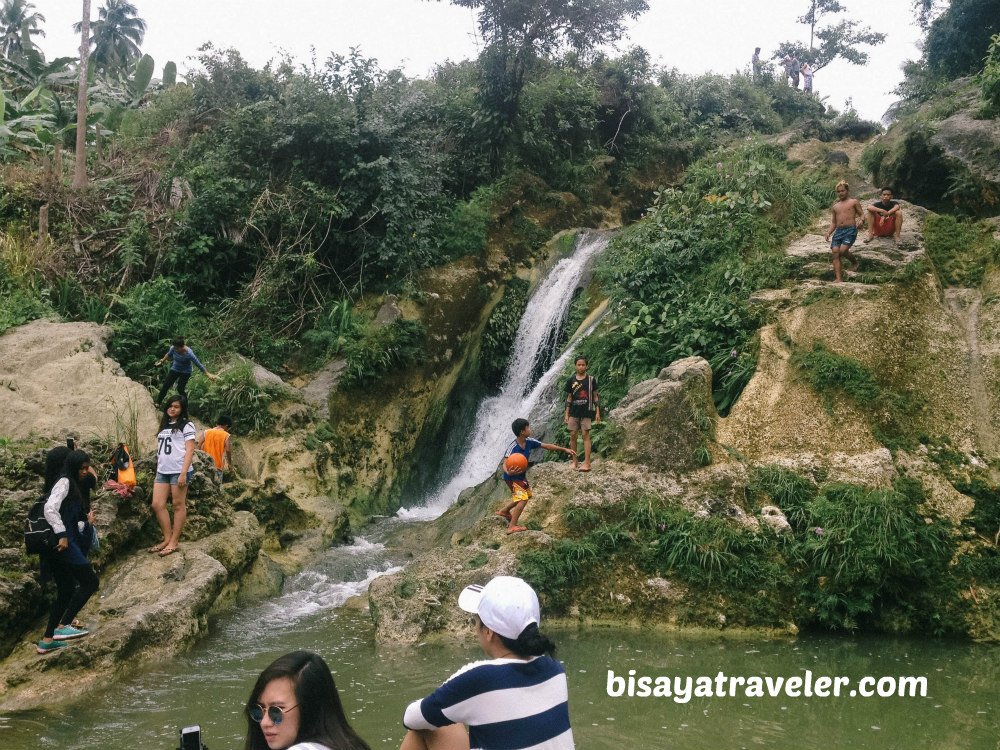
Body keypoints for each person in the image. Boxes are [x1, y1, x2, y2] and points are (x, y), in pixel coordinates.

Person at [401, 576, 574, 750]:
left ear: (489, 632)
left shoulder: (481, 677)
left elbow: (411, 718)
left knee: (427, 727)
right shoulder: (555, 669)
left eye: (476, 620)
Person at [37, 448, 100, 653]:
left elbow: (68, 515)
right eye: (82, 468)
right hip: (66, 544)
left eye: (86, 468)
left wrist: (85, 524)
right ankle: (63, 627)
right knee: (90, 582)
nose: (85, 472)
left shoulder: (72, 483)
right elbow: (49, 508)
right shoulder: (65, 482)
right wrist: (62, 534)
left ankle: (47, 641)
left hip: (63, 545)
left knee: (65, 591)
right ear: (73, 466)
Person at [245, 650, 371, 750]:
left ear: (310, 708)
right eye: (259, 710)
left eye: (276, 711)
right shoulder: (352, 744)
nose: (264, 722)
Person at [496, 418, 575, 535]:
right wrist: (509, 472)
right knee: (523, 499)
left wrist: (564, 449)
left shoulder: (529, 441)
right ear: (522, 431)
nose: (530, 429)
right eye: (528, 427)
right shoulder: (512, 447)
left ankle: (504, 511)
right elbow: (505, 462)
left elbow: (547, 446)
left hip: (521, 476)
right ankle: (512, 526)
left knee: (526, 495)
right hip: (512, 477)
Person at [149, 395, 196, 557]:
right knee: (157, 504)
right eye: (170, 406)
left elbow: (190, 449)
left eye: (176, 406)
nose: (172, 409)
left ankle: (174, 542)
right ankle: (167, 538)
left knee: (178, 504)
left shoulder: (187, 425)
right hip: (163, 470)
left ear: (182, 408)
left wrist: (183, 473)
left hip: (179, 470)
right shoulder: (164, 425)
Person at [154, 336, 217, 407]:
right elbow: (168, 354)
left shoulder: (189, 354)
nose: (175, 350)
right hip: (175, 368)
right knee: (166, 385)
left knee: (180, 389)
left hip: (186, 371)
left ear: (182, 347)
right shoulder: (173, 348)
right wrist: (162, 361)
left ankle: (185, 406)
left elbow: (198, 364)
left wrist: (208, 374)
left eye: (177, 348)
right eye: (175, 348)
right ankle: (158, 403)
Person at [564, 357, 599, 472]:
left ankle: (587, 463)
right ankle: (575, 461)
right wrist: (566, 414)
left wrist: (598, 412)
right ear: (575, 366)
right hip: (574, 412)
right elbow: (569, 398)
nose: (581, 367)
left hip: (586, 411)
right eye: (579, 365)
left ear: (586, 366)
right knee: (573, 435)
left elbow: (595, 397)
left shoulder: (591, 380)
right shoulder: (571, 380)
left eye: (583, 365)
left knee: (585, 435)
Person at [824, 181, 864, 283]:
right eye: (838, 191)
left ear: (847, 191)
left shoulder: (853, 202)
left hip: (850, 230)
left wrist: (861, 221)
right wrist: (829, 232)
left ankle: (855, 263)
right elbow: (833, 222)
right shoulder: (835, 206)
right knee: (835, 253)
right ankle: (838, 278)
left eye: (842, 191)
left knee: (842, 251)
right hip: (839, 231)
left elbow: (862, 214)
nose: (840, 193)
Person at [198, 415, 233, 484]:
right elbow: (228, 450)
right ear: (226, 426)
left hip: (205, 464)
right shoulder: (225, 435)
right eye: (228, 428)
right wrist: (230, 464)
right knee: (217, 487)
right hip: (217, 465)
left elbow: (199, 445)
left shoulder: (207, 432)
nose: (227, 430)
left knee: (206, 485)